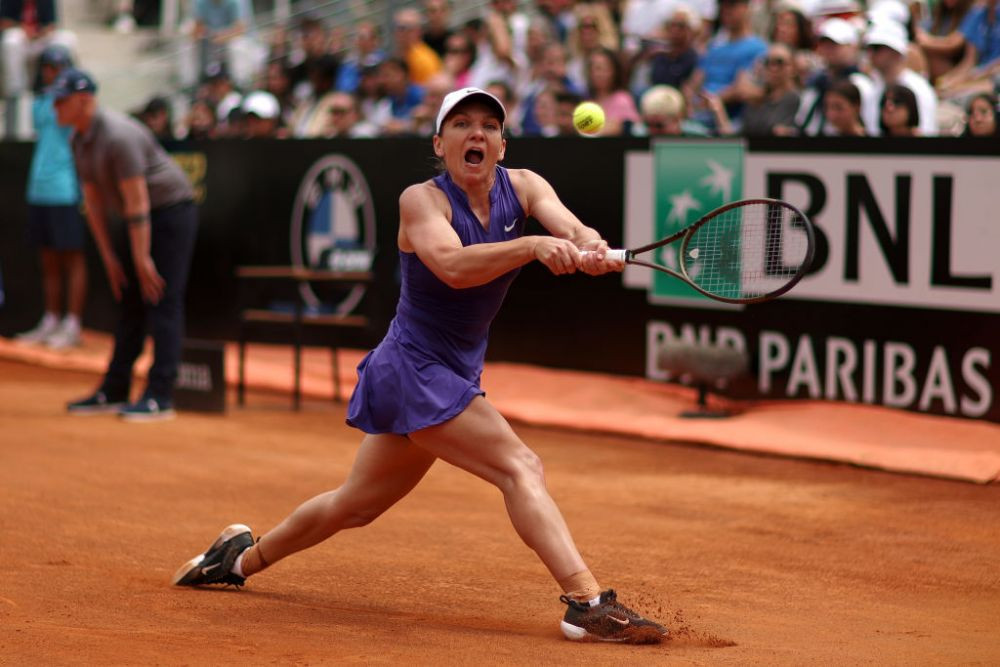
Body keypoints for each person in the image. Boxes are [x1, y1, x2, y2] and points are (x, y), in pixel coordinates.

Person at [171, 86, 669, 645]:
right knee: (519, 466)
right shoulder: (421, 200)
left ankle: (238, 560)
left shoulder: (526, 186)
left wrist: (590, 245)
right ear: (440, 142)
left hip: (454, 373)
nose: (476, 133)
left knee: (353, 506)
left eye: (488, 125)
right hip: (413, 367)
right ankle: (586, 602)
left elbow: (570, 227)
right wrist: (532, 247)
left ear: (502, 145)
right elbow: (454, 266)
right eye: (461, 124)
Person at [54, 69, 198, 421]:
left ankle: (160, 395)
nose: (54, 106)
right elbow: (95, 204)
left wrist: (142, 258)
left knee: (161, 297)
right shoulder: (78, 140)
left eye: (61, 99)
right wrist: (109, 257)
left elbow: (137, 202)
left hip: (169, 214)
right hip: (139, 222)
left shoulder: (119, 136)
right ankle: (115, 389)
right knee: (130, 301)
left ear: (85, 100)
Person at [14, 44, 87, 350]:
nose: (50, 72)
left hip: (65, 189)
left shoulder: (74, 103)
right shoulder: (39, 102)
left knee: (72, 258)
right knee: (49, 260)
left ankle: (73, 324)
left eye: (56, 67)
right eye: (47, 66)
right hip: (39, 189)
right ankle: (51, 319)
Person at [742, 43, 802, 136]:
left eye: (779, 63)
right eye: (767, 62)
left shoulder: (799, 99)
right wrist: (718, 110)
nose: (773, 68)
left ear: (793, 67)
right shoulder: (756, 99)